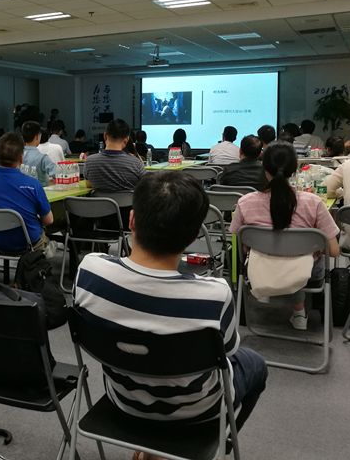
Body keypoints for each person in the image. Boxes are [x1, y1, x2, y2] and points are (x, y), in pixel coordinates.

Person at [74, 171, 267, 438]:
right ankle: (216, 441)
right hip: (200, 410)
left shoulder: (89, 270)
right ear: (193, 236)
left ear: (132, 220)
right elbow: (226, 353)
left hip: (122, 400)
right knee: (255, 363)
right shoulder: (214, 295)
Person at [230, 142, 339, 331]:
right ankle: (299, 312)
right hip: (306, 273)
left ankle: (266, 292)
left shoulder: (245, 202)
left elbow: (236, 242)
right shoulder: (313, 202)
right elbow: (334, 251)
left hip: (259, 269)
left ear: (264, 168)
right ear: (295, 169)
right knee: (307, 259)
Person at [84, 119, 144, 193]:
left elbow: (89, 184)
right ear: (126, 140)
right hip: (128, 200)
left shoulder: (90, 162)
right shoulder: (135, 163)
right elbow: (145, 185)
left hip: (99, 200)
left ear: (105, 136)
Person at [20, 121, 56, 186]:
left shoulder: (16, 155)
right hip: (39, 190)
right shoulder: (42, 157)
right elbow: (57, 174)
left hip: (20, 190)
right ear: (37, 137)